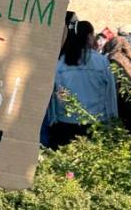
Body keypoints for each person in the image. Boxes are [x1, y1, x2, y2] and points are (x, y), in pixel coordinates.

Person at [47, 19, 118, 147]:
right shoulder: (101, 62)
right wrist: (112, 120)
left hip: (65, 123)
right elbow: (110, 95)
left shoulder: (60, 63)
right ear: (90, 36)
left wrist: (53, 118)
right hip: (95, 123)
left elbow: (53, 94)